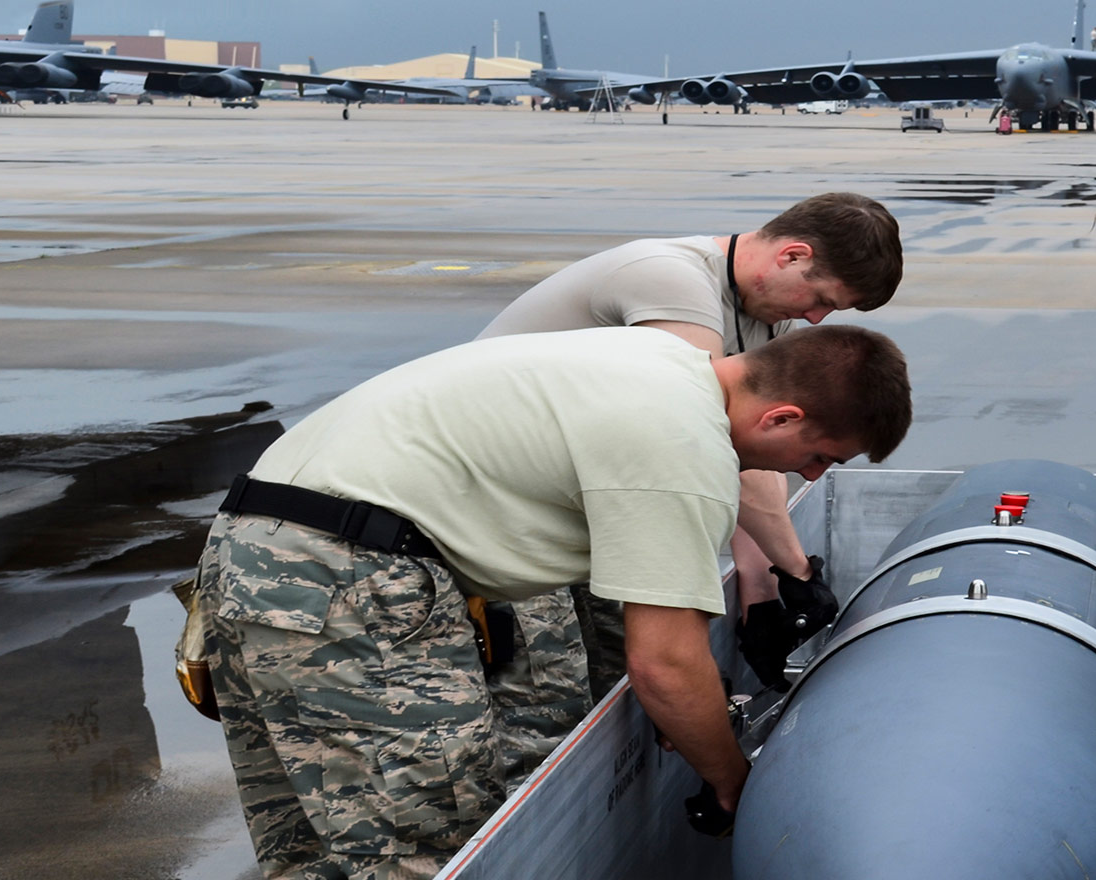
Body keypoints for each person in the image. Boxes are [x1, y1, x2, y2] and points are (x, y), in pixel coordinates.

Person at [199, 324, 913, 880]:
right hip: (351, 576)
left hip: (248, 546)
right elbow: (664, 662)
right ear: (784, 417)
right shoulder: (681, 443)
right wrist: (731, 780)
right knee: (422, 840)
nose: (809, 474)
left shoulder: (650, 362)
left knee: (310, 845)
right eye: (821, 456)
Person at [480, 192, 904, 712]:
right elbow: (698, 432)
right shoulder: (672, 280)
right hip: (499, 499)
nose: (816, 319)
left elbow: (750, 453)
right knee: (549, 700)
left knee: (621, 686)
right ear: (793, 256)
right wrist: (796, 571)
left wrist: (763, 582)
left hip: (582, 494)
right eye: (821, 300)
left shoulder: (765, 319)